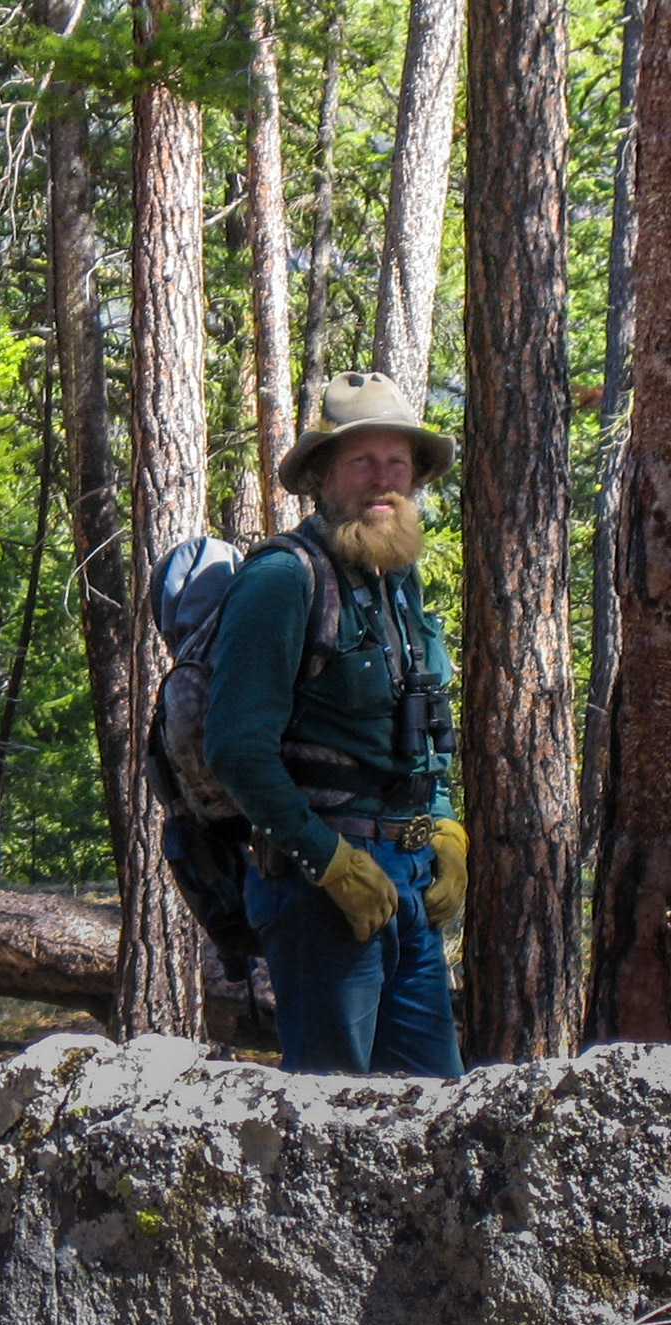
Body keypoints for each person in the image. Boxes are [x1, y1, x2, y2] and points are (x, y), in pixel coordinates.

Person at [204, 370, 466, 1078]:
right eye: (362, 461)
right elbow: (235, 747)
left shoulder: (399, 583)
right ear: (322, 476)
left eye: (398, 463)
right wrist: (327, 861)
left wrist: (444, 827)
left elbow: (422, 734)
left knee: (435, 1107)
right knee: (328, 1119)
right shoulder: (283, 581)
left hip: (405, 880)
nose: (384, 480)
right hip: (318, 889)